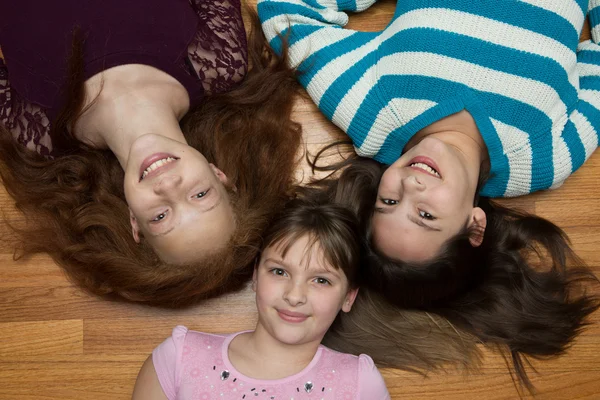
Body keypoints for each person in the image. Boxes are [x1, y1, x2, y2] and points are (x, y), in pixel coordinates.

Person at [257, 0, 600, 388]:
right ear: (475, 226)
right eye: (425, 215)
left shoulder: (372, 112)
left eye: (388, 203)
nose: (409, 186)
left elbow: (285, 13)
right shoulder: (545, 157)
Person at [0, 4, 302, 306]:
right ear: (219, 174)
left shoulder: (36, 131)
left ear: (134, 221)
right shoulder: (219, 61)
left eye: (160, 216)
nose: (168, 186)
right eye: (199, 195)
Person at [131, 198, 391, 399]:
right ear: (256, 275)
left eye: (321, 280)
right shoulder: (179, 358)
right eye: (279, 271)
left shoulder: (359, 384)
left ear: (348, 297)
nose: (294, 295)